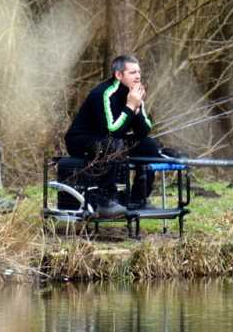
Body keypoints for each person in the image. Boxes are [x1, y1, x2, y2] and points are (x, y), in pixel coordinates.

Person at [65, 55, 161, 218]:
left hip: (110, 140)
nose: (138, 76)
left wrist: (136, 109)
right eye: (132, 72)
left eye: (138, 72)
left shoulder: (134, 93)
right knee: (114, 144)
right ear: (118, 75)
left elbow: (143, 132)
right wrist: (130, 106)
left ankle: (139, 198)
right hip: (81, 140)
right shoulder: (104, 94)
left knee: (149, 145)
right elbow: (111, 131)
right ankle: (106, 199)